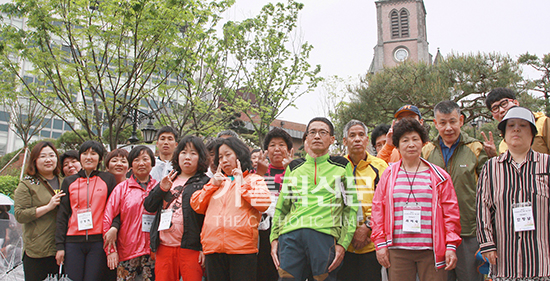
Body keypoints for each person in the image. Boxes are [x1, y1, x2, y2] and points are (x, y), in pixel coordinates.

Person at [371, 118, 461, 281]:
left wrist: (451, 245)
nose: (410, 144)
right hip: (398, 251)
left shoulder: (439, 176)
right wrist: (380, 244)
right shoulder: (389, 175)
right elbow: (378, 210)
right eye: (405, 140)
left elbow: (451, 213)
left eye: (415, 139)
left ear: (423, 143)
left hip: (432, 250)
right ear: (397, 145)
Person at [270, 117, 358, 281]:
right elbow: (282, 206)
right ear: (306, 138)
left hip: (324, 236)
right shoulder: (294, 167)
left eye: (322, 132)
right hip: (290, 236)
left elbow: (351, 207)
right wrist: (274, 238)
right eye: (312, 132)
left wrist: (343, 244)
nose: (317, 136)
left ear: (332, 139)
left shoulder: (341, 165)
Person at [477, 106, 550, 280]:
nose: (516, 129)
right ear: (504, 133)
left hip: (541, 262)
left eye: (523, 125)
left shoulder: (546, 164)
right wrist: (487, 244)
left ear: (532, 133)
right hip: (504, 262)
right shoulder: (491, 167)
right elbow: (483, 208)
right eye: (511, 125)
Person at [421, 101, 488, 281]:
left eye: (452, 121)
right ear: (436, 124)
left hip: (468, 230)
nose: (448, 127)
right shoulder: (427, 151)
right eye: (442, 123)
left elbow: (486, 192)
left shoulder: (475, 148)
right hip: (436, 232)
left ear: (461, 120)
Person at [190, 137, 271, 281]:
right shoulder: (216, 182)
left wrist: (241, 184)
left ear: (239, 155)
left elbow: (263, 203)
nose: (224, 160)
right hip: (213, 248)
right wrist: (212, 185)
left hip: (242, 250)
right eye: (220, 157)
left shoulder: (254, 179)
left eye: (228, 154)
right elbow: (196, 205)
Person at [144, 136, 210, 281]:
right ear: (177, 155)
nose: (187, 157)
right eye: (183, 152)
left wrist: (204, 247)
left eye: (193, 153)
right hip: (164, 246)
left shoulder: (206, 183)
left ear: (200, 158)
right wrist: (161, 189)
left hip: (191, 247)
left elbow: (209, 219)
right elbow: (148, 206)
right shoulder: (170, 178)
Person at [55, 140, 118, 281]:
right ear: (80, 157)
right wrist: (60, 246)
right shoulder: (69, 182)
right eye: (85, 153)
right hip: (73, 242)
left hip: (98, 242)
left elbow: (115, 209)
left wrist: (114, 227)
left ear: (100, 158)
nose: (89, 157)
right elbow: (62, 215)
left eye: (93, 153)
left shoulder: (107, 179)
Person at [337, 120, 388, 281]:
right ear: (345, 141)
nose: (357, 139)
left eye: (361, 135)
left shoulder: (381, 166)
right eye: (352, 135)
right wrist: (350, 233)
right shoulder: (337, 167)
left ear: (367, 140)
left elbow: (386, 203)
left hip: (371, 244)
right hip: (344, 245)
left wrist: (366, 228)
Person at [103, 146, 157, 280]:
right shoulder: (121, 189)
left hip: (153, 252)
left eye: (145, 159)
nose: (141, 163)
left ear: (152, 162)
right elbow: (108, 218)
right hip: (127, 251)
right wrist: (110, 250)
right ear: (131, 165)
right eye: (137, 160)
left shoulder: (159, 188)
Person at [14, 141, 65, 281]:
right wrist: (48, 207)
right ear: (35, 161)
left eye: (52, 155)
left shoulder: (64, 182)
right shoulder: (28, 184)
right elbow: (19, 214)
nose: (48, 159)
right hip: (37, 250)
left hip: (61, 248)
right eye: (43, 156)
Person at [255, 127, 294, 281]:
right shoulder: (257, 172)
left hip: (287, 230)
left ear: (289, 150)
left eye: (281, 145)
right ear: (266, 150)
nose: (277, 149)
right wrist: (259, 174)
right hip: (262, 232)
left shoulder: (298, 172)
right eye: (272, 145)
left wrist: (290, 171)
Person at [483, 87, 550, 157]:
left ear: (516, 103)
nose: (501, 110)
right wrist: (494, 156)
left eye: (504, 103)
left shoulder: (543, 123)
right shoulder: (503, 145)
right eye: (495, 108)